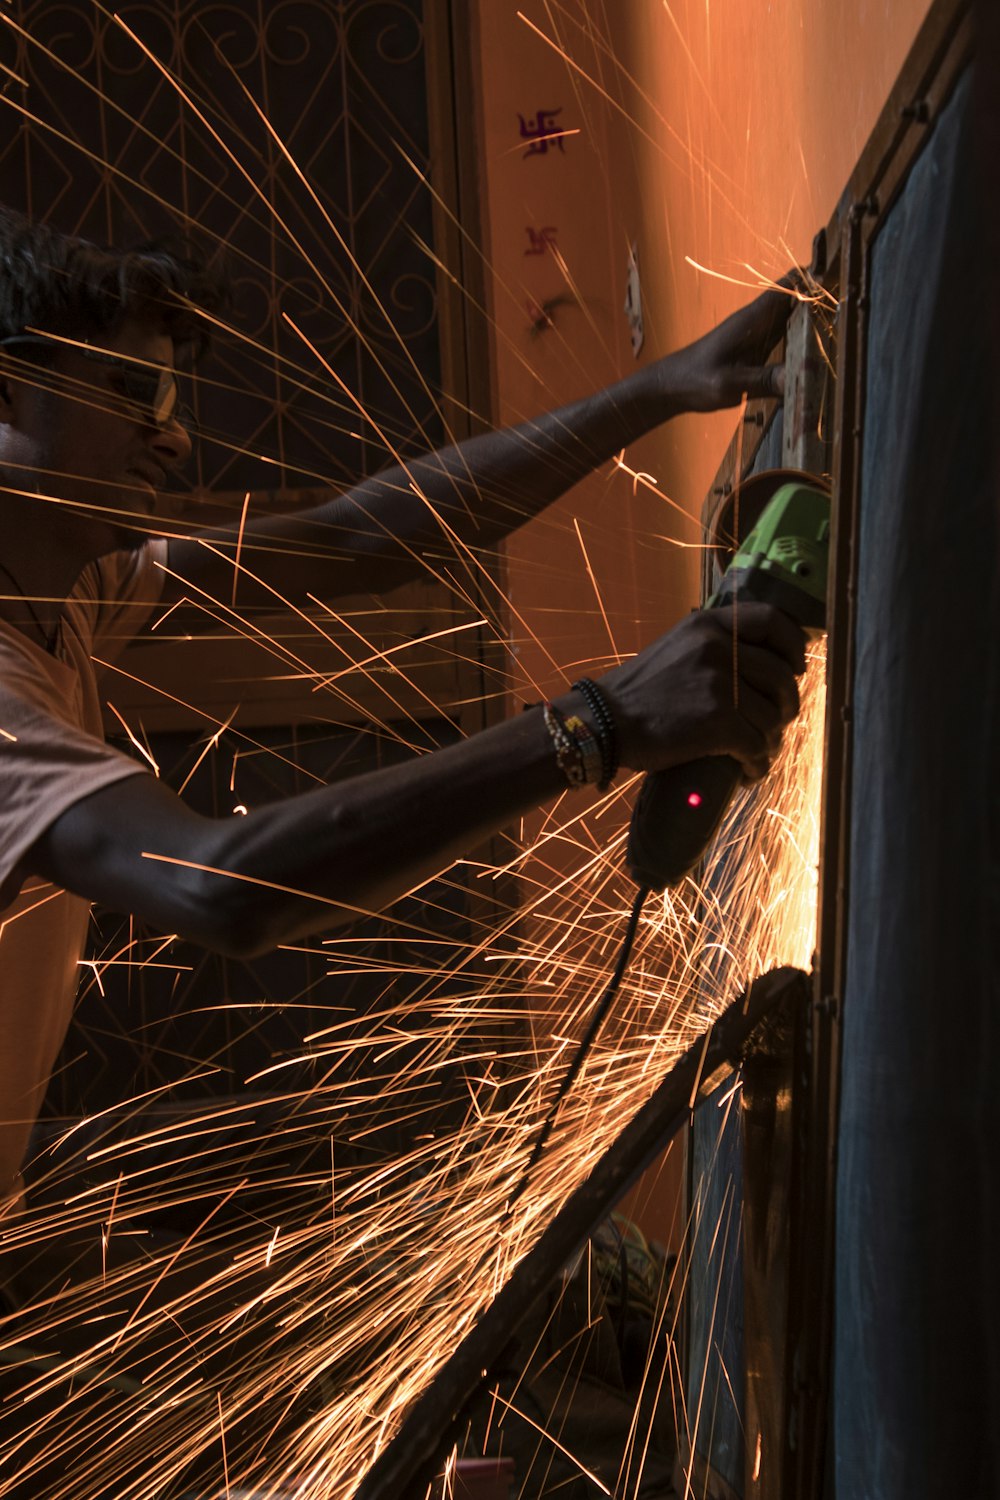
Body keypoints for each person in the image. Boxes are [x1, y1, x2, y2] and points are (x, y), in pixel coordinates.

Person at [0, 209, 805, 1217]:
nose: (172, 434)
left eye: (170, 394)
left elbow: (358, 541)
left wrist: (654, 390)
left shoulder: (72, 586)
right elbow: (220, 889)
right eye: (133, 391)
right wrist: (596, 723)